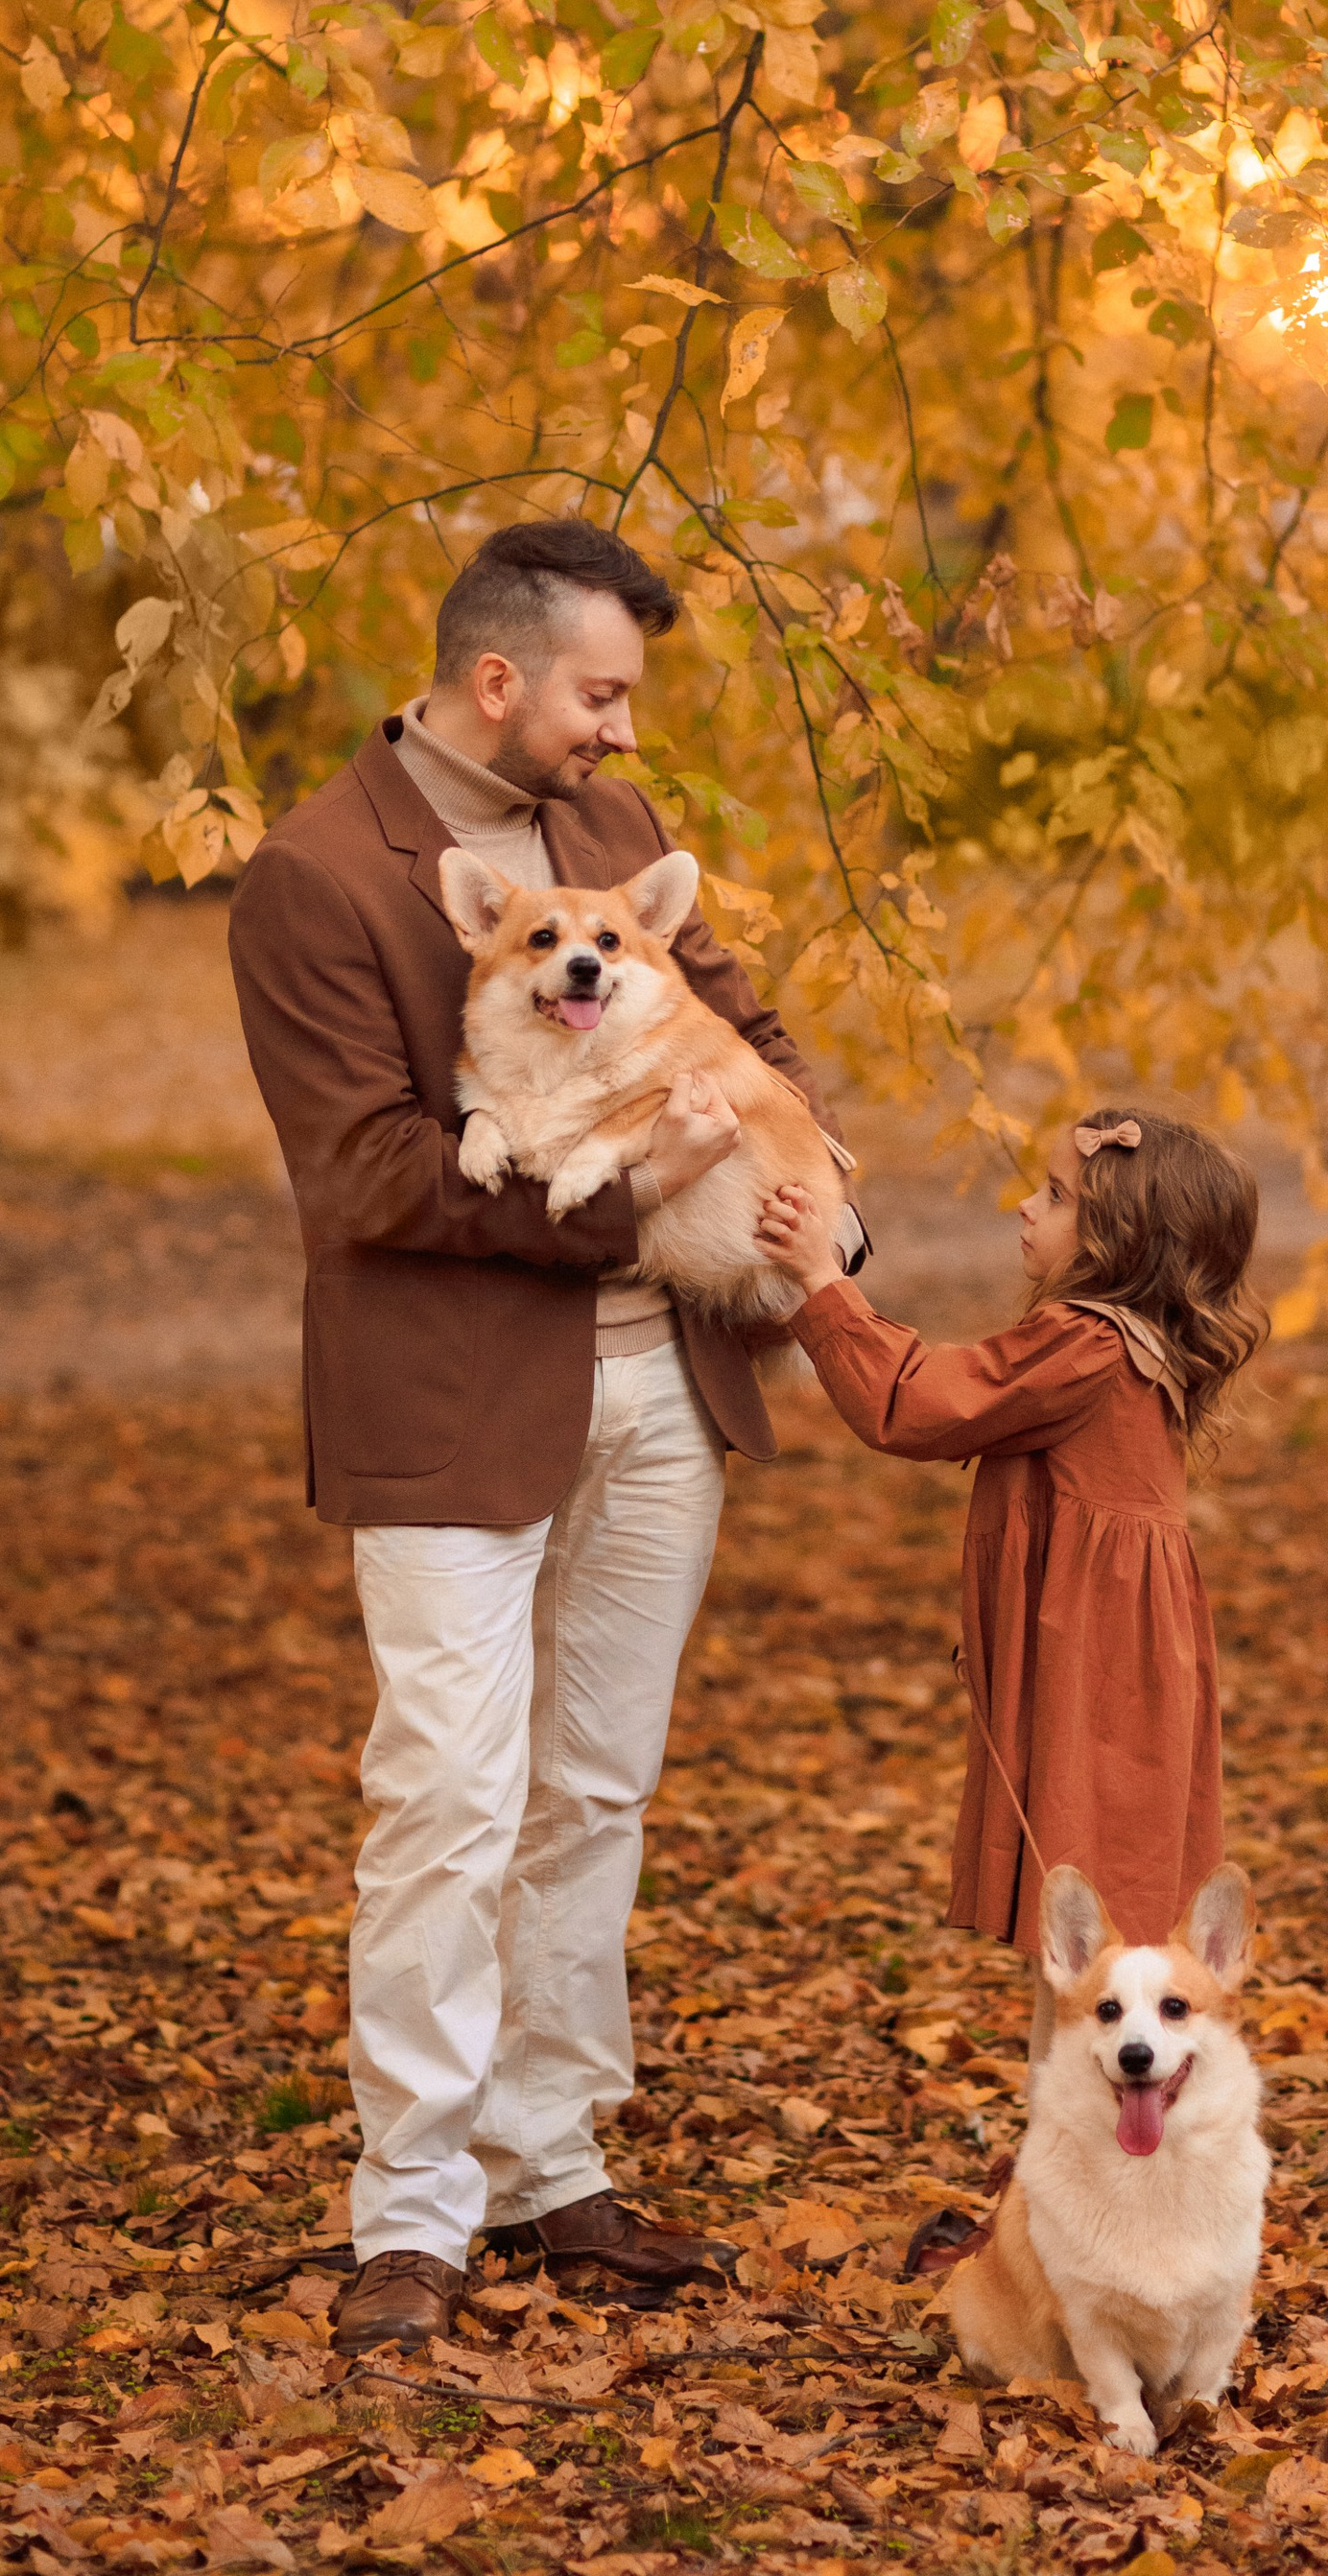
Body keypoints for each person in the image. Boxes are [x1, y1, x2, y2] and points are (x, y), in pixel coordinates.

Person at [227, 518, 857, 2361]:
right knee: (445, 1797)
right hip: (449, 1394)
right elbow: (366, 1179)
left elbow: (752, 1027)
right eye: (602, 691)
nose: (620, 729)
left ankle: (550, 2156)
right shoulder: (319, 878)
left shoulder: (604, 845)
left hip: (660, 1380)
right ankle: (410, 2211)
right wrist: (636, 1180)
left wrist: (818, 1190)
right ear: (497, 677)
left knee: (597, 1786)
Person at [753, 1112, 1262, 2050]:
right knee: (1093, 1921)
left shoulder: (1085, 1342)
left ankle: (1095, 2160)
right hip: (1120, 1673)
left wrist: (818, 1282)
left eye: (1058, 1196)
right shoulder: (1123, 1343)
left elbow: (913, 1403)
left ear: (1120, 1243)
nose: (1025, 1206)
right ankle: (1065, 2157)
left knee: (1094, 1922)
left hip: (1097, 1681)